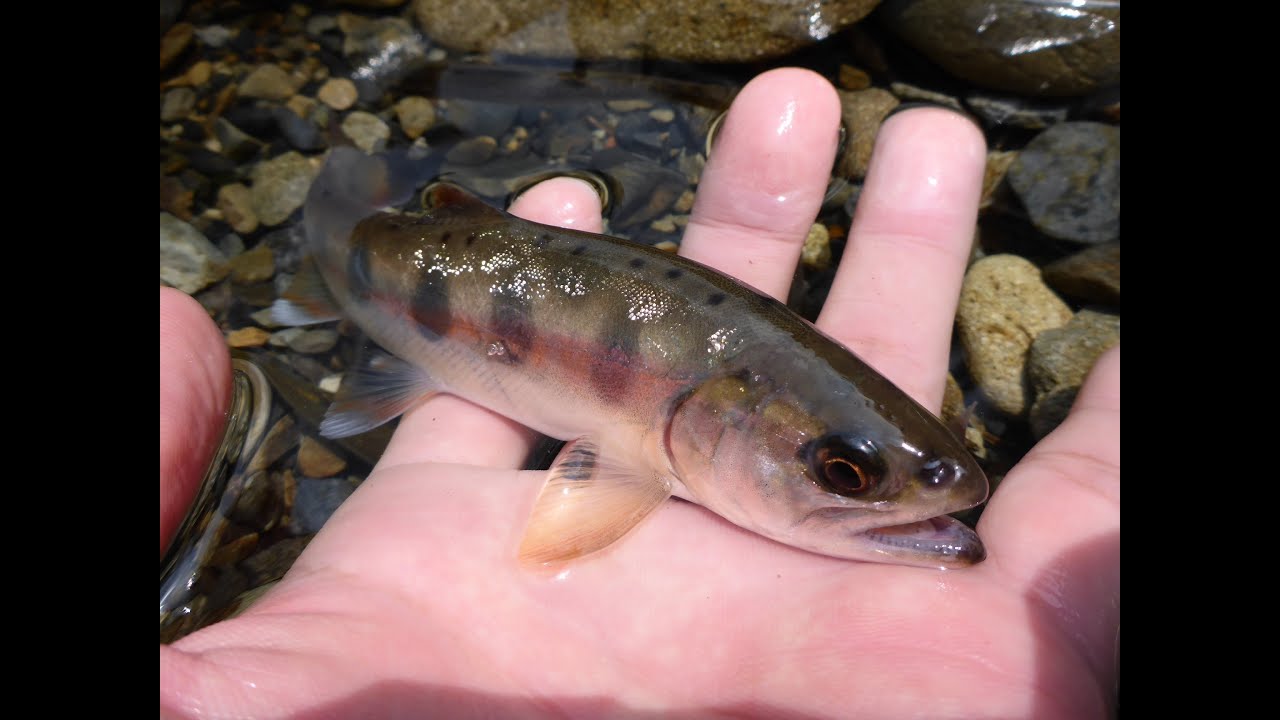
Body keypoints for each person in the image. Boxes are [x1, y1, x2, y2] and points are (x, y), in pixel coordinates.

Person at [159, 68, 1119, 719]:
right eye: (845, 470)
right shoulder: (677, 427)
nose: (884, 497)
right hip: (395, 274)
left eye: (846, 470)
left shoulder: (701, 421)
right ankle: (316, 245)